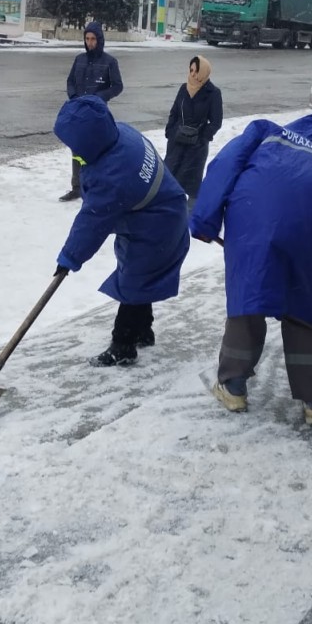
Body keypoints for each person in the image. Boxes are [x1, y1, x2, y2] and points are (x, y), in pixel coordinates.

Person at [190, 112, 312, 429]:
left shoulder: (263, 133)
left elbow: (223, 167)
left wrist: (204, 220)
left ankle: (232, 387)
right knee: (306, 310)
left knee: (250, 300)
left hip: (257, 217)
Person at [53, 94, 189, 366]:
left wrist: (69, 258)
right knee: (140, 276)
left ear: (86, 140)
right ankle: (143, 330)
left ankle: (123, 345)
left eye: (72, 143)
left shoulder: (112, 176)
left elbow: (91, 223)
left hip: (157, 226)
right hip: (163, 212)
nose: (71, 149)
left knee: (134, 282)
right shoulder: (122, 133)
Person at [61, 20, 123, 202]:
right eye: (87, 38)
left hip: (97, 114)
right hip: (79, 113)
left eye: (93, 39)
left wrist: (100, 98)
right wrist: (74, 97)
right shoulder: (79, 59)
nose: (90, 42)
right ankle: (77, 187)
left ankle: (97, 187)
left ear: (99, 40)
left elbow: (118, 86)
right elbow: (70, 81)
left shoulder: (109, 62)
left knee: (97, 152)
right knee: (77, 151)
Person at [163, 54, 223, 206]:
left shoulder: (213, 93)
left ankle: (189, 221)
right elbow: (174, 112)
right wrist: (170, 131)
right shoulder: (184, 88)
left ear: (203, 72)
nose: (193, 75)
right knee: (168, 179)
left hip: (196, 147)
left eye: (196, 71)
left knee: (191, 186)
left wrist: (203, 137)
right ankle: (167, 213)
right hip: (176, 143)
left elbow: (216, 121)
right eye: (191, 70)